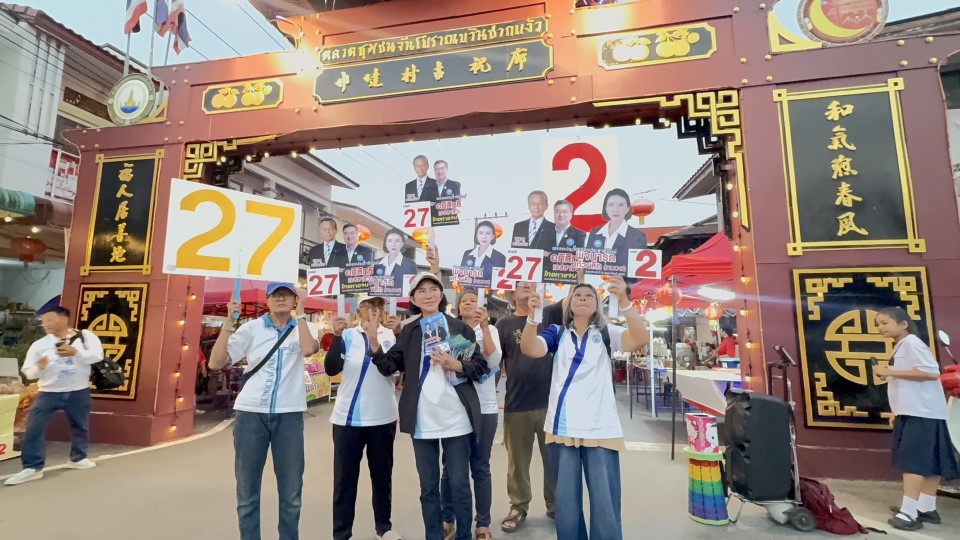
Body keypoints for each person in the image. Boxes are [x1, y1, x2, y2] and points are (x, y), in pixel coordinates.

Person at [520, 277, 649, 540]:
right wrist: (532, 318)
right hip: (562, 426)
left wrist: (624, 300)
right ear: (568, 303)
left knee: (605, 499)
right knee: (566, 500)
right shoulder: (556, 332)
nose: (582, 298)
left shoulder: (607, 332)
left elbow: (639, 339)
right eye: (577, 295)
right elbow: (531, 349)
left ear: (597, 303)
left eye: (589, 295)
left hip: (600, 427)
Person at [370, 272, 490, 540]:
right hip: (422, 418)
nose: (428, 295)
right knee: (428, 488)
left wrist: (456, 364)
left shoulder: (458, 328)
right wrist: (375, 344)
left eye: (433, 289)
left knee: (460, 484)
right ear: (413, 299)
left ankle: (464, 536)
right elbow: (390, 366)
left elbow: (480, 366)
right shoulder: (410, 331)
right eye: (421, 291)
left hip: (456, 417)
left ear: (441, 294)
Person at [207, 282, 320, 540]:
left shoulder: (304, 326)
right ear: (267, 300)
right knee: (247, 492)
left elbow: (308, 350)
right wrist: (228, 321)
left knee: (291, 493)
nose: (280, 299)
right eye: (275, 295)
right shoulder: (251, 329)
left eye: (286, 295)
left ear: (295, 300)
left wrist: (302, 314)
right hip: (250, 414)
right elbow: (215, 362)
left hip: (289, 415)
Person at [326, 296, 403, 540]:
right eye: (370, 306)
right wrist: (336, 336)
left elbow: (392, 369)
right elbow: (331, 368)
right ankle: (342, 533)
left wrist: (384, 337)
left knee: (382, 477)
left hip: (382, 418)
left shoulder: (391, 336)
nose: (375, 310)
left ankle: (384, 527)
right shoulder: (347, 335)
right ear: (359, 310)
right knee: (344, 480)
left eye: (379, 306)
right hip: (348, 419)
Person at [874, 307, 958, 531]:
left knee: (913, 463)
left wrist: (889, 371)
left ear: (903, 324)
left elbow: (930, 372)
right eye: (878, 324)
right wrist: (897, 410)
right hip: (918, 411)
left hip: (921, 413)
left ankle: (908, 513)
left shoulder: (911, 343)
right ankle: (926, 508)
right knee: (930, 462)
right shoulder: (903, 344)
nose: (880, 328)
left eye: (884, 323)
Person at [5, 306, 104, 487]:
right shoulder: (40, 345)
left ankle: (79, 458)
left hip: (78, 390)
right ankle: (32, 467)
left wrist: (76, 353)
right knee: (34, 428)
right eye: (43, 321)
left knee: (80, 425)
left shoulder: (85, 337)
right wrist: (40, 367)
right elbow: (29, 371)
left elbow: (97, 356)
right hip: (49, 392)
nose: (45, 324)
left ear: (64, 319)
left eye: (49, 320)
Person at [495, 282, 564, 533]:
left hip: (550, 403)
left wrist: (578, 272)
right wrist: (489, 396)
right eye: (520, 285)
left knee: (554, 459)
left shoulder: (550, 315)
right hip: (516, 403)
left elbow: (573, 299)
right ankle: (518, 506)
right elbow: (498, 362)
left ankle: (556, 505)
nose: (526, 287)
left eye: (530, 284)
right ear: (511, 294)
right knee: (517, 462)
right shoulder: (503, 324)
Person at [441, 289, 502, 540]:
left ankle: (483, 524)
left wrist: (485, 327)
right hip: (455, 407)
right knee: (450, 467)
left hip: (484, 408)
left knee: (480, 466)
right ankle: (447, 519)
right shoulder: (449, 331)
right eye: (464, 301)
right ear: (457, 308)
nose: (468, 303)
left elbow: (493, 360)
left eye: (473, 301)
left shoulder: (490, 330)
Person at [585, 188, 648, 259]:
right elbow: (588, 260)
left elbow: (638, 263)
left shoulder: (637, 236)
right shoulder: (595, 232)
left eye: (621, 205)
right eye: (611, 205)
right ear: (605, 208)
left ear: (627, 209)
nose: (616, 209)